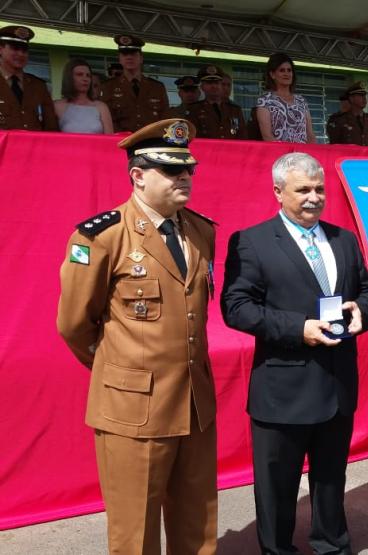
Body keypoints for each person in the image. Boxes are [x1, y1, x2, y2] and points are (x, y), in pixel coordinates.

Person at [57, 118, 218, 554]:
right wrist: (117, 368)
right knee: (136, 531)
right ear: (137, 176)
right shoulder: (102, 236)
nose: (184, 177)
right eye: (170, 171)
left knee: (197, 521)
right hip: (134, 408)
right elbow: (74, 324)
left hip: (194, 402)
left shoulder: (201, 231)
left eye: (188, 170)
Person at [221, 152, 368, 554]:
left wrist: (362, 311)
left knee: (331, 480)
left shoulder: (344, 239)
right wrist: (298, 328)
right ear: (278, 192)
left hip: (336, 386)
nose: (315, 197)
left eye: (320, 189)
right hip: (283, 389)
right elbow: (236, 308)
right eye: (303, 190)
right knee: (277, 488)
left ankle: (332, 544)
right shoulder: (251, 242)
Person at [100, 35, 169, 132]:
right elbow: (107, 119)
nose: (129, 57)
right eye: (124, 54)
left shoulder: (157, 87)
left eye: (133, 54)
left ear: (141, 58)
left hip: (150, 142)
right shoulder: (108, 87)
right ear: (119, 58)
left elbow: (165, 119)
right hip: (120, 142)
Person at [0, 25, 58, 131]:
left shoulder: (39, 86)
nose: (21, 54)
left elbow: (51, 128)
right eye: (15, 48)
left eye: (25, 50)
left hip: (35, 146)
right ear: (1, 49)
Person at [254, 52, 316, 143]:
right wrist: (288, 155)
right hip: (280, 155)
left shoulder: (301, 100)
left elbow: (310, 134)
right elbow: (267, 136)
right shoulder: (265, 101)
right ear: (272, 74)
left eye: (289, 70)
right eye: (282, 70)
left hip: (303, 155)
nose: (286, 73)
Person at [54, 57, 113, 134]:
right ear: (69, 78)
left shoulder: (101, 107)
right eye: (79, 75)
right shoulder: (57, 106)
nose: (85, 79)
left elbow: (110, 139)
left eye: (88, 75)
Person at [186, 64, 246, 139]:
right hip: (206, 150)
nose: (214, 86)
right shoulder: (194, 109)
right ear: (202, 87)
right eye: (209, 83)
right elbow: (192, 137)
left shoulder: (235, 110)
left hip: (231, 150)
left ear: (221, 85)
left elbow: (242, 137)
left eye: (217, 83)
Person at [326, 81, 368, 146]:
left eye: (364, 95)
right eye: (360, 95)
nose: (364, 98)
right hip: (349, 155)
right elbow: (335, 145)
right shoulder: (340, 121)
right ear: (351, 99)